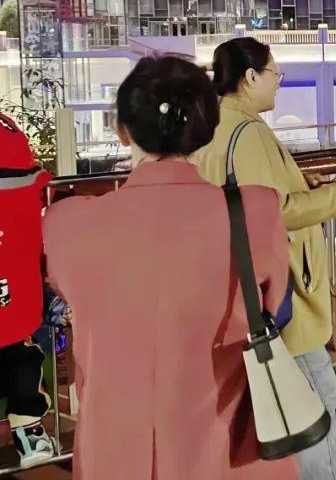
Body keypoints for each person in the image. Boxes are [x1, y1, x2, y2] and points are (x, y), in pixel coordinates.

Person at [44, 56, 297, 480]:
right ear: (207, 128)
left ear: (122, 130)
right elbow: (274, 305)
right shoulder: (256, 210)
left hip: (116, 451)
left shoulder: (67, 223)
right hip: (226, 448)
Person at [194, 38, 336, 480]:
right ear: (250, 77)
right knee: (314, 413)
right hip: (279, 295)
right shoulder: (247, 131)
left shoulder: (214, 126)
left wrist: (302, 183)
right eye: (275, 74)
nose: (278, 84)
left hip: (243, 287)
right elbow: (273, 210)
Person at [0, 114, 59, 469]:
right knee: (24, 361)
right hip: (17, 299)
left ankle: (29, 430)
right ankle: (30, 432)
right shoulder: (7, 131)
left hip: (18, 301)